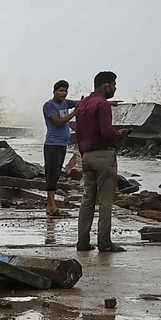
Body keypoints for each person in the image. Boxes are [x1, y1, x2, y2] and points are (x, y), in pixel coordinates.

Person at [73, 71, 129, 252]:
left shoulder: (82, 105)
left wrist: (84, 153)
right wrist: (119, 135)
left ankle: (82, 242)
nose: (114, 88)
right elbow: (106, 131)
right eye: (113, 85)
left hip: (87, 155)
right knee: (105, 201)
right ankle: (104, 242)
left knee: (87, 199)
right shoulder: (102, 105)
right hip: (103, 156)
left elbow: (79, 133)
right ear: (106, 85)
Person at [42, 81, 78, 216]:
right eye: (60, 91)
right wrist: (74, 113)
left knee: (56, 174)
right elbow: (57, 122)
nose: (63, 93)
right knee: (51, 174)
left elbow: (81, 103)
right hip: (52, 144)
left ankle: (51, 205)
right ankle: (51, 206)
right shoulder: (49, 105)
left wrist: (104, 101)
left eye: (65, 91)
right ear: (54, 91)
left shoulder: (65, 103)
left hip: (62, 144)